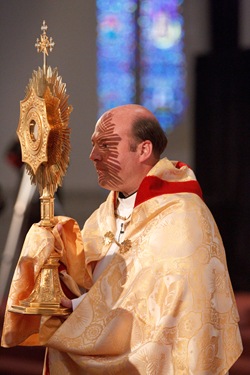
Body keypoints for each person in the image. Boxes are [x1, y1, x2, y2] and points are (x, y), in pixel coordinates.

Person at [1, 104, 242, 374]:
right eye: (94, 145)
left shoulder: (185, 217)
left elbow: (176, 312)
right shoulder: (102, 216)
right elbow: (98, 286)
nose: (93, 156)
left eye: (106, 144)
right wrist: (61, 269)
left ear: (144, 150)